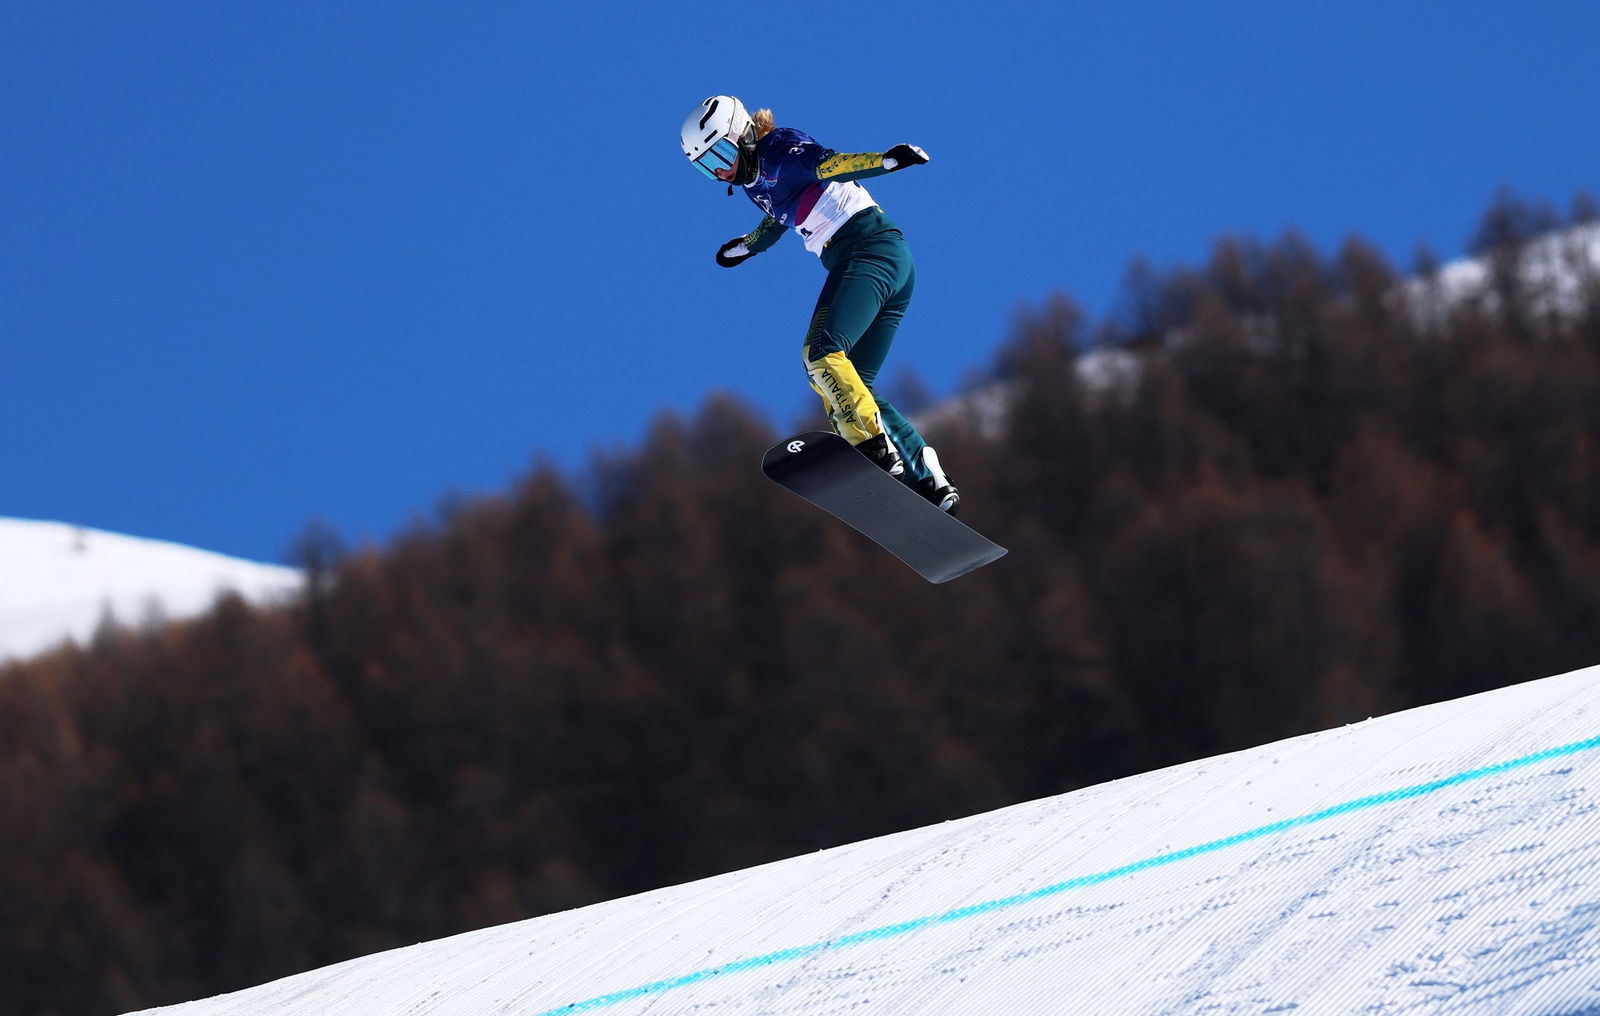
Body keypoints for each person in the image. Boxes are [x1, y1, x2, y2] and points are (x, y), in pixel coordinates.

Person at [679, 95, 960, 514]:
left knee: (820, 354)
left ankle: (873, 447)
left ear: (741, 135)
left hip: (868, 251)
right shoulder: (756, 182)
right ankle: (929, 479)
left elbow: (830, 165)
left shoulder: (780, 149)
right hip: (888, 260)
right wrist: (748, 247)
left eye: (719, 153)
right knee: (853, 384)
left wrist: (884, 162)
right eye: (706, 167)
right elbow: (777, 216)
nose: (720, 170)